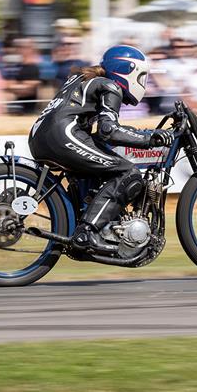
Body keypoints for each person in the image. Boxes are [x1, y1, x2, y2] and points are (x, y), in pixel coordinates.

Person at [28, 45, 173, 253]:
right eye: (140, 76)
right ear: (126, 70)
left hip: (41, 137)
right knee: (128, 173)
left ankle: (90, 224)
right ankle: (88, 232)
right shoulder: (110, 87)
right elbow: (109, 131)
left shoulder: (82, 79)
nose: (142, 82)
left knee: (101, 167)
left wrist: (140, 134)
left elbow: (103, 132)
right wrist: (149, 140)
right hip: (62, 136)